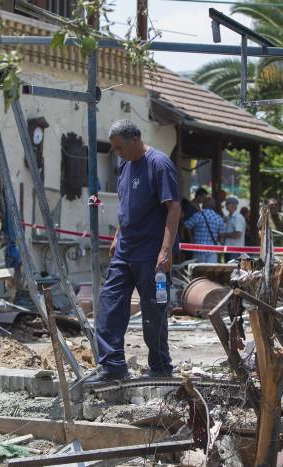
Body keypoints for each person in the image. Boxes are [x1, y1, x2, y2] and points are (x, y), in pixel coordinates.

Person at [84, 120, 181, 385]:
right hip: (125, 250)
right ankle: (113, 366)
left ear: (135, 138)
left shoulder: (158, 164)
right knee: (109, 304)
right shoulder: (125, 164)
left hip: (151, 253)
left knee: (153, 311)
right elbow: (125, 204)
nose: (117, 153)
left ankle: (161, 367)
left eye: (120, 147)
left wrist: (166, 249)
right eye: (114, 149)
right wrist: (117, 234)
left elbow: (174, 208)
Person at [184, 197, 224, 263]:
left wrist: (191, 240)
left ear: (204, 204)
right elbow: (221, 235)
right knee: (211, 271)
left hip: (198, 249)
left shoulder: (198, 215)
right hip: (212, 251)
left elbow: (187, 226)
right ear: (214, 206)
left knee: (197, 271)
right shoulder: (218, 218)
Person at [220, 196, 246, 261]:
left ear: (233, 205)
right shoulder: (229, 217)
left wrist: (223, 235)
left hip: (235, 251)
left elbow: (238, 234)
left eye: (227, 203)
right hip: (229, 250)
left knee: (233, 269)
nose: (225, 205)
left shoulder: (237, 218)